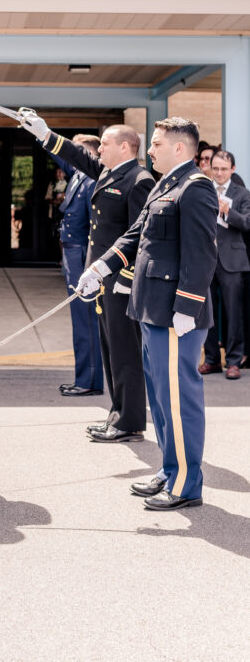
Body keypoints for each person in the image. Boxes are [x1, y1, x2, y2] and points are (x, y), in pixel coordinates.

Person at [77, 117, 218, 510]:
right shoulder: (164, 184)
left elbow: (202, 252)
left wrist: (188, 307)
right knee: (160, 400)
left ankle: (187, 484)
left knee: (178, 400)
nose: (150, 150)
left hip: (175, 315)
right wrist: (100, 268)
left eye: (156, 144)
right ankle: (170, 469)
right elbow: (135, 235)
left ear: (179, 148)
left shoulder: (196, 188)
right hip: (151, 311)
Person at [19, 112, 154, 443]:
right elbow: (79, 156)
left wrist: (121, 278)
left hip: (120, 281)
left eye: (105, 144)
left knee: (125, 353)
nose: (100, 150)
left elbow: (140, 237)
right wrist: (46, 134)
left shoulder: (139, 181)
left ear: (125, 147)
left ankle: (130, 421)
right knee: (110, 351)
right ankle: (119, 413)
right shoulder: (111, 173)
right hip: (102, 281)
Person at [53, 135, 104, 397]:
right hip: (72, 256)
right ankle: (84, 377)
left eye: (77, 150)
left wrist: (90, 267)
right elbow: (58, 153)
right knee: (79, 321)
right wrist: (40, 133)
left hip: (83, 256)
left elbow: (94, 230)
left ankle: (89, 380)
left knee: (86, 322)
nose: (72, 154)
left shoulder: (91, 179)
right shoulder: (79, 175)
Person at [199, 150, 250, 380]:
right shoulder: (202, 189)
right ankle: (211, 360)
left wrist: (229, 212)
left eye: (223, 169)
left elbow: (247, 223)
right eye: (215, 168)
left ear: (232, 170)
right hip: (206, 258)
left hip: (232, 260)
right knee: (207, 312)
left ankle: (233, 361)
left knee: (233, 312)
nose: (219, 173)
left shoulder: (242, 193)